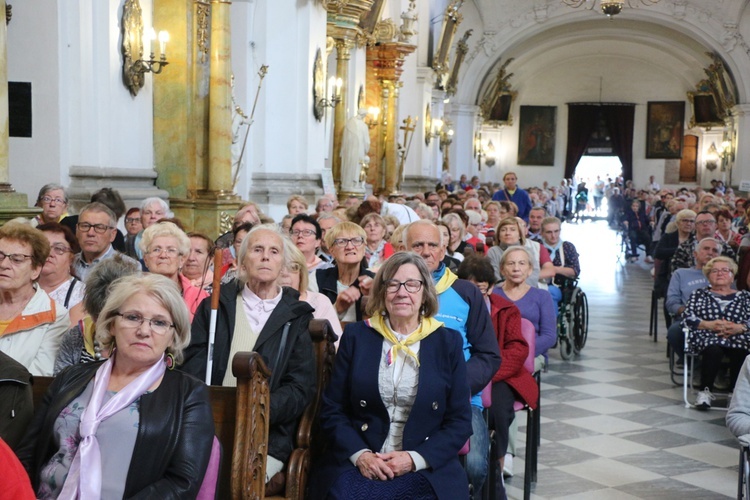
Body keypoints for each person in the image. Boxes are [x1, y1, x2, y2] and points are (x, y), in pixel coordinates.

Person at [17, 274, 215, 498]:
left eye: (159, 322)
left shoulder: (188, 393)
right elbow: (28, 453)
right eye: (133, 317)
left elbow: (182, 482)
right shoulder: (72, 377)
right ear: (111, 324)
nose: (144, 330)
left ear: (173, 335)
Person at [308, 252, 472, 500]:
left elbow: (459, 421)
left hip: (423, 463)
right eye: (392, 284)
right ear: (382, 292)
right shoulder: (357, 336)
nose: (402, 292)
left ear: (425, 292)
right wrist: (360, 455)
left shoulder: (447, 342)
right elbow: (332, 410)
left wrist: (413, 459)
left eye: (412, 284)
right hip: (361, 459)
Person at [182, 225, 316, 493]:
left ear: (283, 264)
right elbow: (194, 367)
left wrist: (256, 412)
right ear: (242, 263)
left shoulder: (296, 317)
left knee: (238, 479)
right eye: (257, 250)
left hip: (267, 434)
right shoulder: (216, 307)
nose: (265, 257)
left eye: (274, 251)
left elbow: (300, 387)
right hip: (211, 424)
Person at [404, 220, 500, 493]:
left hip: (460, 400)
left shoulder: (466, 292)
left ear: (443, 248)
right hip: (403, 398)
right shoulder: (393, 290)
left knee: (474, 466)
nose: (426, 251)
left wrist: (453, 389)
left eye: (432, 245)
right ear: (404, 249)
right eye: (418, 245)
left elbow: (488, 355)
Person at [456, 255, 538, 498]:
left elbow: (517, 350)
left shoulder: (506, 309)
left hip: (501, 376)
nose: (475, 295)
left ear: (490, 287)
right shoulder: (455, 308)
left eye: (480, 289)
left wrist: (488, 373)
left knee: (500, 410)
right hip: (467, 376)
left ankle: (499, 462)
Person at [0, 223, 69, 377]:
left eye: (17, 259)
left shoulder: (54, 316)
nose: (4, 264)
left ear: (35, 270)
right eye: (0, 256)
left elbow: (37, 378)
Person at [54, 254, 142, 374]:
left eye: (113, 318)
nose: (108, 327)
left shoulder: (142, 340)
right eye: (99, 317)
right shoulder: (76, 337)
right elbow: (60, 383)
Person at [683, 256, 750, 409]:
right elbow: (687, 317)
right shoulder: (699, 294)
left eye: (725, 270)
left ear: (732, 275)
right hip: (707, 336)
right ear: (708, 276)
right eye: (715, 271)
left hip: (739, 336)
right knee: (713, 348)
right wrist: (708, 324)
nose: (720, 273)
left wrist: (740, 327)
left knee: (741, 351)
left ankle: (735, 394)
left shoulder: (746, 297)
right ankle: (704, 393)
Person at [665, 238, 719, 366]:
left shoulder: (724, 274)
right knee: (674, 332)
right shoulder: (681, 274)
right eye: (706, 249)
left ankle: (720, 367)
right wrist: (688, 312)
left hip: (718, 320)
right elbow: (671, 302)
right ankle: (694, 364)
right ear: (695, 254)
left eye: (715, 250)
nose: (710, 253)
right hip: (689, 318)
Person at [278, 240, 343, 345]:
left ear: (301, 273)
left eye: (293, 267)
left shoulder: (319, 301)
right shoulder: (263, 303)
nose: (285, 274)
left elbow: (336, 346)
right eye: (279, 267)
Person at [140, 221, 208, 321]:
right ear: (146, 259)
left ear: (182, 259)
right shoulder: (134, 293)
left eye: (171, 250)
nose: (163, 255)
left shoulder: (200, 296)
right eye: (156, 250)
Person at [316, 222, 374, 324]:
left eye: (356, 241)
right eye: (342, 241)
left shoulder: (375, 281)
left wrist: (374, 297)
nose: (350, 247)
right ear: (332, 251)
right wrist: (337, 308)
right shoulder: (317, 278)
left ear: (364, 248)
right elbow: (311, 324)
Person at [72, 202, 139, 281]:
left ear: (112, 234)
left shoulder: (129, 267)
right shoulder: (67, 263)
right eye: (85, 226)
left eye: (99, 227)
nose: (90, 233)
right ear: (77, 230)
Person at [37, 223, 85, 326]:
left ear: (71, 258)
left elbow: (72, 338)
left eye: (58, 249)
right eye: (42, 247)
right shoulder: (18, 288)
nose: (49, 253)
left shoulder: (81, 294)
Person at [487, 217, 554, 286]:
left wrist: (520, 289)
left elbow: (533, 274)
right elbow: (495, 277)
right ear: (498, 235)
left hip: (527, 289)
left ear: (519, 235)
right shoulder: (493, 251)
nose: (507, 233)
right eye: (503, 230)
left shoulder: (528, 251)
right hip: (502, 290)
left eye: (512, 230)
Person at [290, 215, 333, 286]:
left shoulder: (328, 270)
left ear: (318, 242)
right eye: (296, 232)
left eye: (307, 232)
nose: (300, 236)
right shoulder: (281, 267)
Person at [341, 108, 370, 194]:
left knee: (349, 165)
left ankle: (348, 182)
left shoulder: (350, 122)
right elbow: (366, 141)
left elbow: (344, 139)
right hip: (359, 149)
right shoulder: (363, 125)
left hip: (348, 150)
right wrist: (366, 150)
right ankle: (355, 183)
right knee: (358, 165)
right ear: (364, 115)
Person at [623, 199, 653, 263]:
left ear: (639, 207)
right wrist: (625, 221)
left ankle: (648, 255)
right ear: (631, 207)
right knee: (633, 236)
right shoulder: (629, 213)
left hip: (642, 230)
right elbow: (625, 218)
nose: (635, 207)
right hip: (633, 229)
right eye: (633, 206)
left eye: (636, 206)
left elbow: (647, 220)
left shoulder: (642, 213)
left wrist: (651, 222)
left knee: (647, 237)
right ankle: (634, 255)